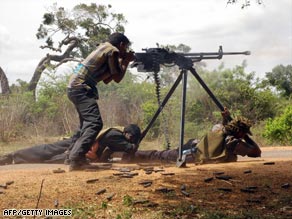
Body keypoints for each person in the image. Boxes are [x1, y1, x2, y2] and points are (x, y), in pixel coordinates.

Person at [67, 32, 135, 171]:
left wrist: (123, 61)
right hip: (81, 88)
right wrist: (126, 61)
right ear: (121, 45)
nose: (125, 50)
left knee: (86, 125)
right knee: (95, 123)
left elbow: (107, 79)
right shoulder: (113, 51)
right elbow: (117, 78)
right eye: (125, 48)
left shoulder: (105, 48)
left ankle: (71, 155)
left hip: (74, 88)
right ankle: (76, 158)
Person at [126, 110, 261, 164]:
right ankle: (127, 155)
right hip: (190, 154)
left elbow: (224, 129)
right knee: (157, 156)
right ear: (239, 133)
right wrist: (245, 137)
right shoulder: (233, 141)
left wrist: (227, 120)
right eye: (243, 133)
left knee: (158, 155)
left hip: (190, 148)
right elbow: (256, 152)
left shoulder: (219, 128)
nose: (244, 136)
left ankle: (130, 154)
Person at [0, 124, 141, 166]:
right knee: (50, 156)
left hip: (78, 142)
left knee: (47, 150)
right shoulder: (115, 135)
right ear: (128, 135)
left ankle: (14, 157)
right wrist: (135, 145)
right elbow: (129, 148)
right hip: (80, 146)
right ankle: (13, 158)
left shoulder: (114, 131)